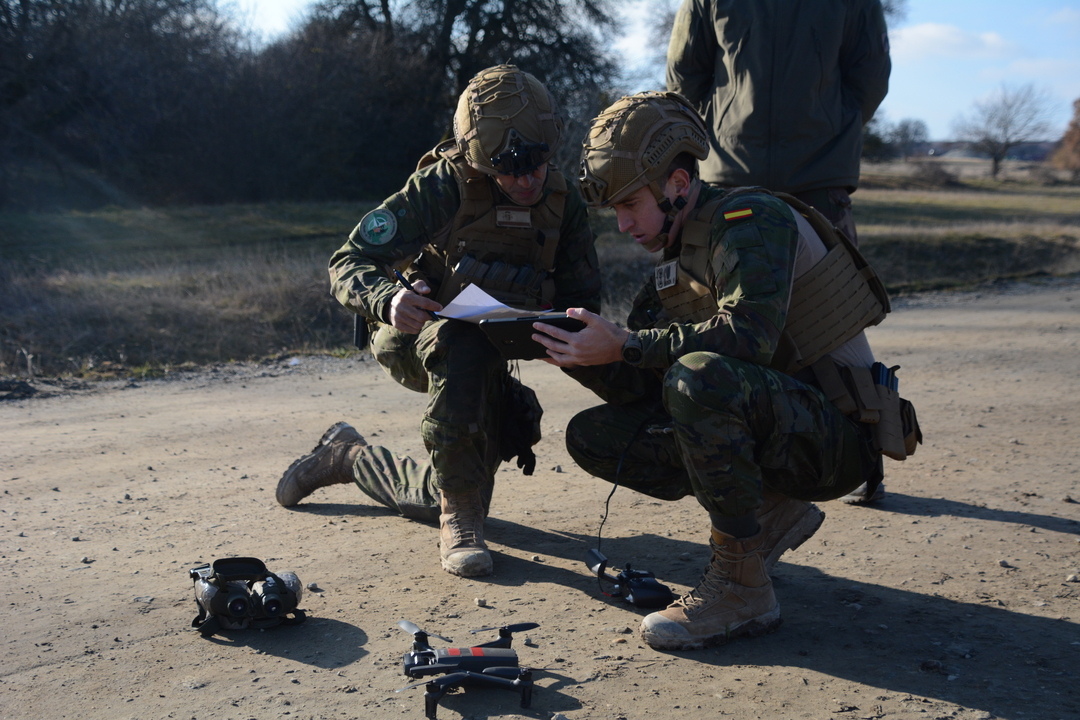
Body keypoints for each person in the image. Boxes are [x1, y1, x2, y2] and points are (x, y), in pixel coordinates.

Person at [533, 92, 918, 650]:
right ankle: (768, 513)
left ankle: (743, 589)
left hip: (835, 440)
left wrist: (628, 344)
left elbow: (750, 337)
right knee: (596, 436)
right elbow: (642, 382)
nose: (621, 225)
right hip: (784, 428)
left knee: (699, 377)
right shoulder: (676, 258)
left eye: (629, 204)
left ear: (678, 184)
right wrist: (574, 350)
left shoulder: (750, 219)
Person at [274, 65, 601, 578]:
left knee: (445, 480)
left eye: (538, 164)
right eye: (510, 169)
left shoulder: (562, 203)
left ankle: (348, 458)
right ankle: (461, 517)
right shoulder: (443, 185)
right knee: (461, 346)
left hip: (496, 350)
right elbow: (349, 260)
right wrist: (387, 300)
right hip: (419, 337)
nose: (527, 179)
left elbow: (584, 304)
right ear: (480, 159)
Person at [665, 0, 893, 503]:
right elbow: (686, 73)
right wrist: (717, 134)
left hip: (820, 174)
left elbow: (870, 75)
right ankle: (751, 454)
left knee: (835, 320)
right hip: (730, 172)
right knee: (726, 316)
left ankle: (866, 452)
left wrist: (830, 125)